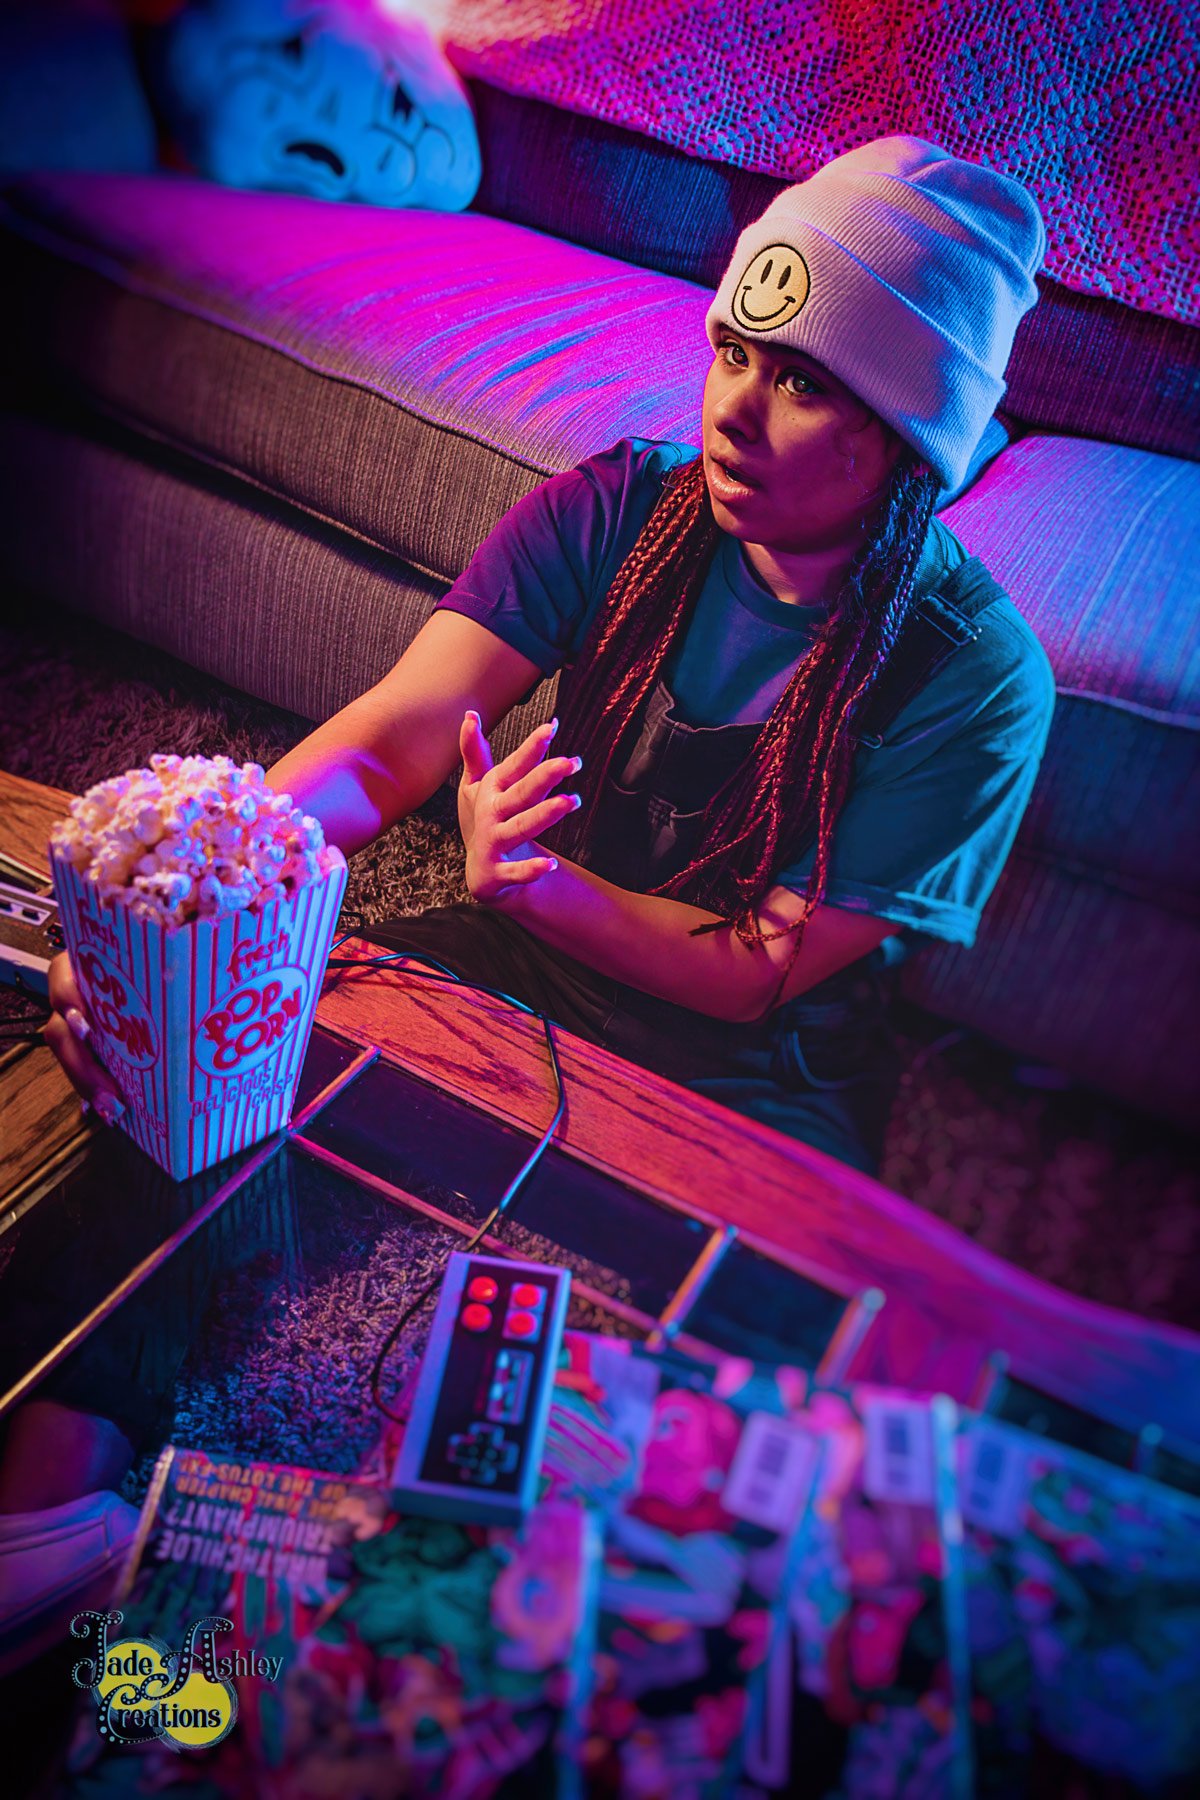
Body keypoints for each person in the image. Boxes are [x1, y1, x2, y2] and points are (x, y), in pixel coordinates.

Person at [5, 137, 1055, 1641]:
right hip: (527, 960)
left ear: (909, 440)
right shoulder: (619, 507)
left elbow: (762, 968)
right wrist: (177, 901)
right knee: (207, 1061)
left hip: (765, 1066)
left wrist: (546, 887)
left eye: (812, 381)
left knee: (784, 1442)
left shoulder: (974, 674)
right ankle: (42, 1506)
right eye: (740, 350)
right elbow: (389, 749)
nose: (738, 409)